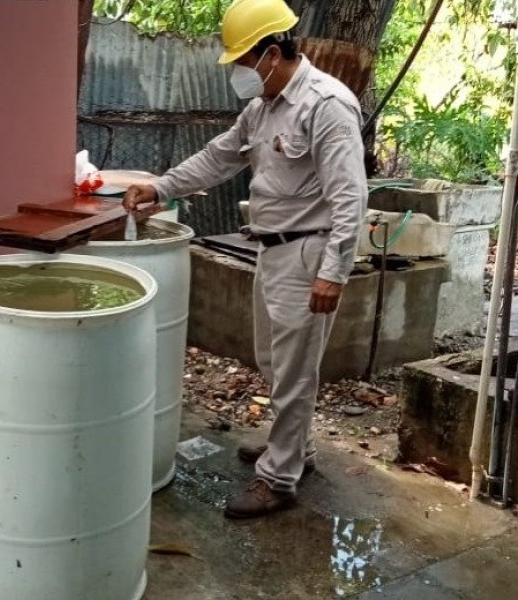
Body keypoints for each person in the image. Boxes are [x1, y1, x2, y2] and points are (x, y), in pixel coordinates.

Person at [123, 0, 367, 519]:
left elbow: (350, 196)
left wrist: (333, 272)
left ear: (272, 54)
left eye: (242, 62)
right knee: (276, 362)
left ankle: (278, 479)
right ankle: (294, 449)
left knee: (295, 370)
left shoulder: (327, 105)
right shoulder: (262, 108)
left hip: (309, 251)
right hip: (272, 251)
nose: (238, 73)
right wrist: (160, 186)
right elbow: (217, 156)